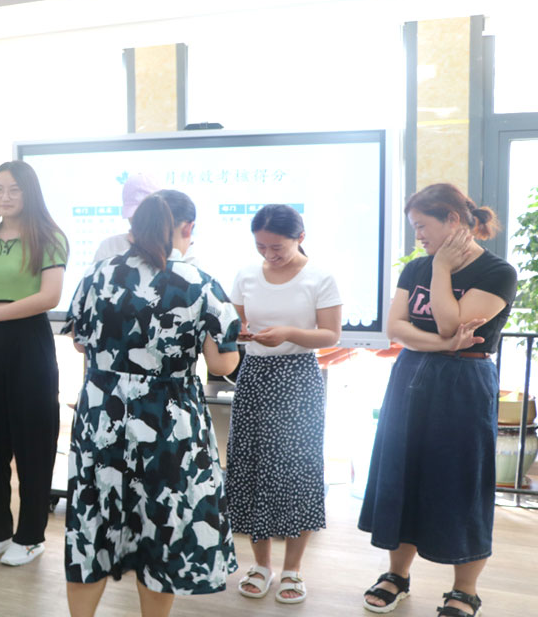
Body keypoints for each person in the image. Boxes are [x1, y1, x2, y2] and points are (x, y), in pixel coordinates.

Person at [62, 189, 242, 617]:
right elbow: (223, 363)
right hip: (169, 421)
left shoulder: (97, 274)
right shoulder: (201, 282)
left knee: (93, 526)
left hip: (103, 417)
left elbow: (81, 343)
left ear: (133, 227)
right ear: (185, 229)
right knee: (162, 528)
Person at [359, 183, 515, 617]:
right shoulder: (415, 268)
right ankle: (396, 575)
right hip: (411, 376)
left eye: (422, 226)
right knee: (402, 474)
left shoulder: (498, 272)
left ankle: (465, 590)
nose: (418, 237)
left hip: (465, 382)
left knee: (462, 482)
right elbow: (396, 328)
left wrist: (442, 270)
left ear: (452, 219)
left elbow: (450, 323)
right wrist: (442, 345)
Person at [225, 203, 342, 604]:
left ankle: (293, 569)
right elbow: (235, 325)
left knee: (297, 470)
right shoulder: (246, 274)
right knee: (251, 466)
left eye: (277, 247)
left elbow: (330, 335)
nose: (269, 254)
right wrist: (241, 334)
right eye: (261, 246)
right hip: (254, 376)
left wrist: (289, 333)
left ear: (300, 237)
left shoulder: (319, 277)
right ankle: (261, 565)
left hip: (298, 378)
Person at [0, 161, 68, 567]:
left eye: (14, 189)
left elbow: (49, 297)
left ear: (29, 193)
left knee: (33, 442)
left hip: (29, 342)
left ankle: (30, 536)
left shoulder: (49, 237)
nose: (4, 196)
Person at [91, 173, 160, 263]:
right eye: (134, 215)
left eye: (145, 213)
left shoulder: (174, 246)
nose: (140, 220)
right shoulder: (109, 246)